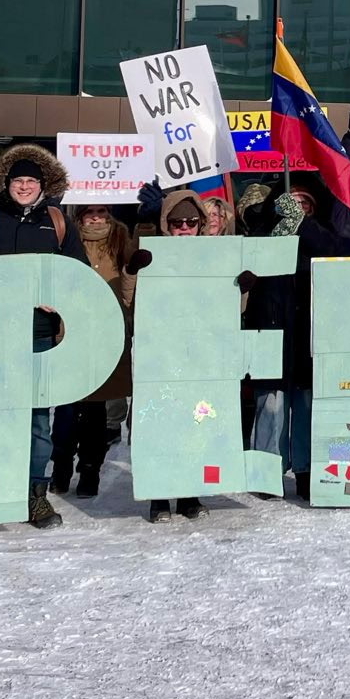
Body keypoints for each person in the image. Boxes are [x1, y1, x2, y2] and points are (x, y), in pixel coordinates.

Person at [0, 144, 89, 530]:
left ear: (43, 185)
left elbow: (77, 275)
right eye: (19, 181)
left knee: (36, 420)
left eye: (32, 181)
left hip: (38, 337)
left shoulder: (58, 222)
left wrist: (59, 298)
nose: (25, 187)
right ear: (7, 184)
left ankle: (36, 496)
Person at [250, 181, 350, 500]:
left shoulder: (321, 232)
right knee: (271, 405)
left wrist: (303, 224)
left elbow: (340, 250)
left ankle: (305, 470)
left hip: (309, 332)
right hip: (270, 328)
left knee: (307, 405)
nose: (298, 206)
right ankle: (266, 471)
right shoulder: (264, 230)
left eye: (305, 202)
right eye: (292, 201)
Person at [50, 201, 138, 498]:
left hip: (107, 331)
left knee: (96, 411)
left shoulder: (121, 237)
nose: (97, 217)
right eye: (90, 212)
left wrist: (148, 220)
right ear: (80, 215)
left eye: (101, 212)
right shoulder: (65, 236)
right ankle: (61, 465)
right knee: (65, 408)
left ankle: (90, 470)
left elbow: (135, 268)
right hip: (71, 330)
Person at [144, 186, 214, 520]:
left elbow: (228, 309)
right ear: (165, 226)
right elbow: (131, 300)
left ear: (201, 224)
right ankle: (159, 495)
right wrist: (133, 271)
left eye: (190, 222)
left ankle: (189, 494)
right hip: (160, 353)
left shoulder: (215, 257)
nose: (184, 229)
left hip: (199, 354)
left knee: (195, 422)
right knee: (160, 423)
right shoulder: (151, 252)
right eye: (176, 224)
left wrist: (241, 288)